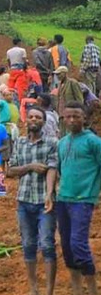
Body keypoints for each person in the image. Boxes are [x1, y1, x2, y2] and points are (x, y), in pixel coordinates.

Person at [48, 101, 101, 295]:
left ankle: (93, 289)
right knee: (67, 247)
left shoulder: (93, 142)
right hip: (64, 199)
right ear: (63, 118)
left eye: (76, 116)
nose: (72, 120)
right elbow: (60, 170)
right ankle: (78, 289)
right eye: (68, 116)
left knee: (78, 243)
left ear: (84, 118)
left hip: (83, 200)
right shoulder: (62, 142)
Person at [7, 106, 58, 295]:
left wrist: (49, 194)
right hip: (23, 200)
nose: (34, 119)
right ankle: (33, 288)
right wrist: (30, 166)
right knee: (28, 244)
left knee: (46, 244)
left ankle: (49, 291)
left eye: (38, 117)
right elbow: (10, 170)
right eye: (31, 117)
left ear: (43, 122)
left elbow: (52, 168)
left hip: (44, 202)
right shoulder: (20, 143)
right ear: (26, 120)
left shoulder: (52, 142)